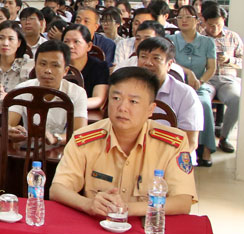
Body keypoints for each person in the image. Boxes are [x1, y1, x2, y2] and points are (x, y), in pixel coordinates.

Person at [50, 67, 196, 218]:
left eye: (133, 101)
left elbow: (183, 201)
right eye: (116, 98)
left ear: (150, 109)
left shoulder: (173, 143)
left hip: (147, 226)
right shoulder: (84, 139)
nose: (122, 108)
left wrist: (126, 209)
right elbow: (57, 189)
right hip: (98, 223)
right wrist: (88, 204)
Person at [7, 41, 88, 145]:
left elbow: (80, 134)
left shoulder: (77, 93)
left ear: (65, 70)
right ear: (35, 66)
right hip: (29, 148)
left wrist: (55, 139)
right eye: (43, 64)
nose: (48, 70)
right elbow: (8, 125)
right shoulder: (22, 89)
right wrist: (11, 131)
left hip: (63, 149)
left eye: (55, 65)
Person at [135, 37, 203, 150]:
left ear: (169, 64)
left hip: (172, 153)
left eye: (156, 58)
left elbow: (190, 142)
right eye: (143, 57)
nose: (148, 63)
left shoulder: (185, 94)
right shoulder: (129, 88)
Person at [170, 5, 218, 165]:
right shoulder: (171, 40)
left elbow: (211, 68)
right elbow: (170, 62)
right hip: (176, 84)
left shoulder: (207, 42)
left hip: (199, 85)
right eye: (180, 17)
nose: (183, 20)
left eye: (188, 17)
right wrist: (189, 73)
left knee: (204, 103)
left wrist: (200, 81)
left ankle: (206, 149)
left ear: (197, 20)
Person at [201, 5, 240, 154]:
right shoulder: (200, 38)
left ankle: (224, 137)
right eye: (211, 25)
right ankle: (206, 140)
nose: (215, 28)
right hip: (206, 79)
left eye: (218, 24)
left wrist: (229, 60)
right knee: (203, 101)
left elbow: (242, 60)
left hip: (227, 80)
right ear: (204, 22)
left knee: (237, 99)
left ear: (224, 20)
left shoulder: (233, 37)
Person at [62, 24, 109, 109]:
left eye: (76, 42)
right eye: (66, 42)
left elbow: (98, 99)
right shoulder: (57, 65)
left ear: (89, 46)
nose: (70, 46)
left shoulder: (99, 67)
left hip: (87, 111)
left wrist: (70, 105)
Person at [0, 21, 34, 94]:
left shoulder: (27, 65)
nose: (5, 43)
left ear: (19, 43)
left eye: (10, 39)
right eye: (1, 38)